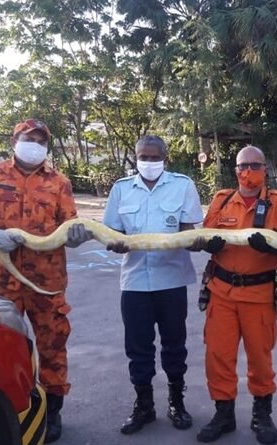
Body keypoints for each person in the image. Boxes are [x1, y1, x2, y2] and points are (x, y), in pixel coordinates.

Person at [0, 118, 93, 444]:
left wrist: (77, 235)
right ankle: (8, 410)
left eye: (41, 139)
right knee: (1, 348)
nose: (35, 143)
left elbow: (70, 227)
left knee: (53, 347)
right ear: (15, 140)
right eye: (29, 137)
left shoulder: (59, 182)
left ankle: (52, 412)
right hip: (3, 282)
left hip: (48, 282)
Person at [189, 146, 277, 444]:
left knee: (260, 359)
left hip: (259, 294)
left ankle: (262, 416)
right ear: (235, 170)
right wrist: (205, 244)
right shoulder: (222, 200)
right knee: (218, 356)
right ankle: (224, 414)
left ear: (265, 169)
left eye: (254, 165)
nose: (247, 171)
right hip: (221, 293)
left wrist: (272, 245)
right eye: (242, 166)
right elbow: (204, 235)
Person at [102, 135, 204, 435]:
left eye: (153, 156)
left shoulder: (182, 185)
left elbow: (189, 231)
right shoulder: (121, 189)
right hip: (134, 282)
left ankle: (176, 401)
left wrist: (195, 241)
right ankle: (144, 405)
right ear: (135, 159)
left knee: (175, 344)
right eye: (142, 157)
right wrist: (115, 243)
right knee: (138, 347)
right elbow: (111, 233)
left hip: (171, 281)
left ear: (165, 157)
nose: (148, 162)